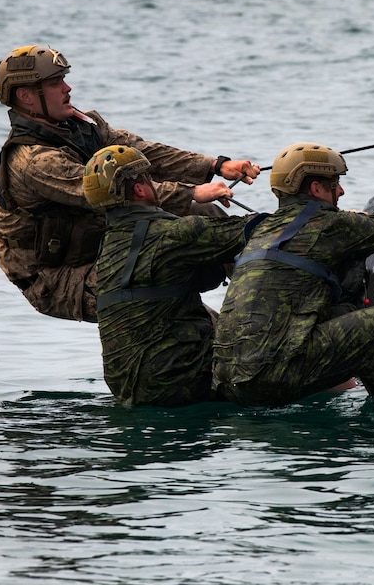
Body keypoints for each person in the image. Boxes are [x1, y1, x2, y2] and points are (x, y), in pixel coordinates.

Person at [0, 44, 261, 323]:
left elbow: (144, 154)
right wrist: (191, 192)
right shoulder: (34, 161)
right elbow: (115, 191)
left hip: (105, 245)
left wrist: (215, 165)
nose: (67, 88)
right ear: (26, 96)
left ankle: (257, 307)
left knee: (207, 217)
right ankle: (224, 335)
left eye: (64, 78)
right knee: (163, 277)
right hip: (59, 279)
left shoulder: (83, 126)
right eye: (55, 83)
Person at [212, 142, 374, 407]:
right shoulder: (330, 224)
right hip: (272, 377)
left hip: (229, 380)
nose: (340, 190)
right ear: (316, 189)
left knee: (347, 313)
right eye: (334, 184)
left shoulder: (261, 227)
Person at [83, 145, 267, 407]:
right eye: (150, 179)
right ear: (140, 189)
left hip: (128, 390)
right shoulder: (172, 233)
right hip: (180, 385)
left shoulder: (108, 246)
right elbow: (260, 229)